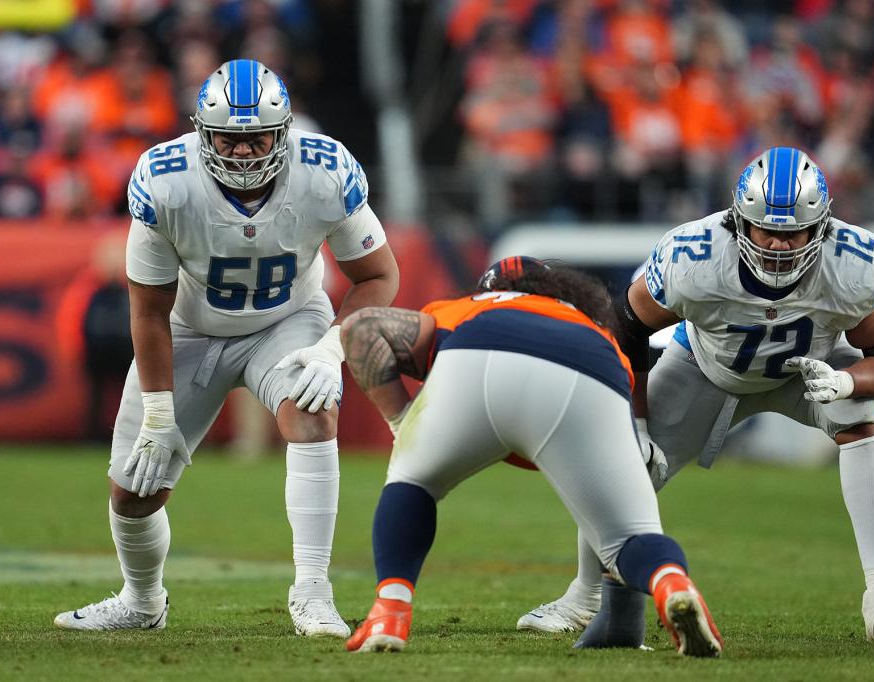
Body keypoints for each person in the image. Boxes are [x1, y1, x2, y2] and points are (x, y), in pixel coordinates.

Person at [518, 147, 874, 646]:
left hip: (805, 374)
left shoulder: (851, 264)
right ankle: (584, 596)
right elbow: (625, 330)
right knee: (624, 461)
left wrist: (848, 381)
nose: (778, 244)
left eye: (793, 231)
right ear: (738, 222)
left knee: (859, 413)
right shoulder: (696, 257)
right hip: (704, 369)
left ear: (821, 227)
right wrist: (639, 425)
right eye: (766, 229)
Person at [54, 60, 400, 637]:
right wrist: (160, 413)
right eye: (229, 139)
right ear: (203, 133)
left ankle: (313, 591)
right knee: (134, 492)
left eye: (257, 137)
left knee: (313, 412)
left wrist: (332, 347)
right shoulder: (166, 180)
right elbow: (148, 309)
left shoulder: (324, 169)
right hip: (188, 328)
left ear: (283, 131)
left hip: (286, 320)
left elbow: (378, 275)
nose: (243, 151)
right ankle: (142, 602)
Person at [338, 257, 723, 656]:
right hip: (590, 368)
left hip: (476, 350)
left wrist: (401, 422)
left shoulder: (467, 308)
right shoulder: (597, 330)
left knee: (413, 483)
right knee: (629, 538)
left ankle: (391, 611)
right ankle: (671, 582)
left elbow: (361, 329)